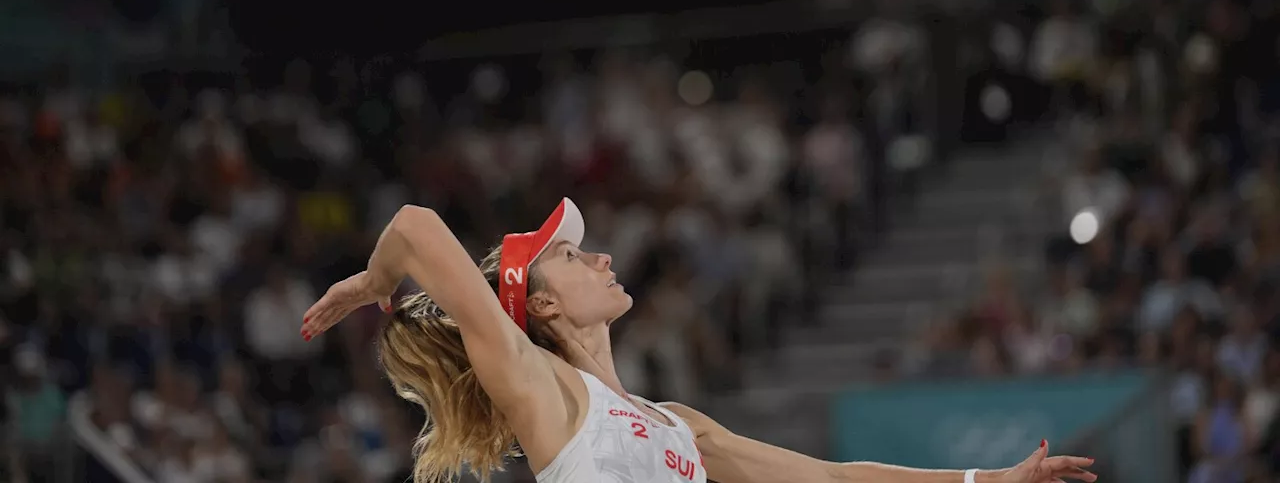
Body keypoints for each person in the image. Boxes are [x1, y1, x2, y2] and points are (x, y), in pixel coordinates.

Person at [301, 198, 1097, 483]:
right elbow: (411, 227)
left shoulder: (675, 422)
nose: (601, 255)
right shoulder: (538, 388)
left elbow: (827, 478)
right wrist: (376, 284)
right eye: (574, 256)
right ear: (539, 303)